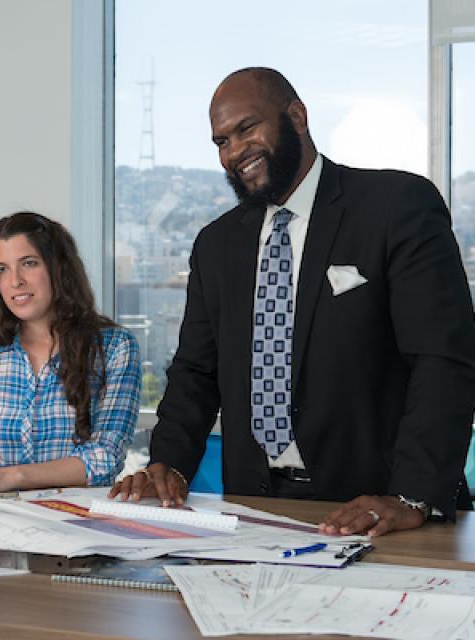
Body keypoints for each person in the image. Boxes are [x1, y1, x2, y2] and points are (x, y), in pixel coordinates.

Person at [111, 67, 475, 537]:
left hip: (381, 512)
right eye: (221, 141)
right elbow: (196, 373)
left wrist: (413, 495)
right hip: (254, 509)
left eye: (247, 128)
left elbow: (443, 359)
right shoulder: (216, 244)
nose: (234, 151)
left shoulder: (395, 206)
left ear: (297, 116)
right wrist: (170, 464)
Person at [0, 211, 141, 494]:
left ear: (59, 269)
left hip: (75, 519)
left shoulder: (115, 348)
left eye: (28, 264)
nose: (15, 280)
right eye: (2, 269)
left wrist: (8, 476)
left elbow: (105, 457)